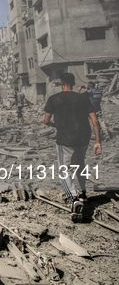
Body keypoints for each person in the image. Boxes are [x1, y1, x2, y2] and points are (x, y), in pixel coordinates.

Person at [43, 72, 102, 222]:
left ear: (60, 83)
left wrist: (58, 125)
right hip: (84, 137)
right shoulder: (83, 98)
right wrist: (98, 142)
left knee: (64, 170)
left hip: (65, 139)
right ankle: (82, 194)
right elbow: (95, 121)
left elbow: (46, 120)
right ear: (74, 82)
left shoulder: (54, 99)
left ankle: (74, 200)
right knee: (80, 165)